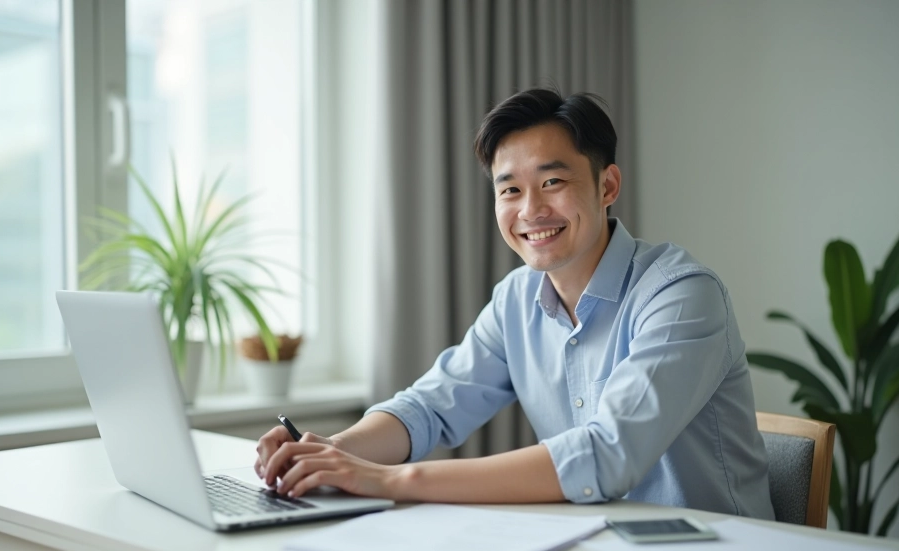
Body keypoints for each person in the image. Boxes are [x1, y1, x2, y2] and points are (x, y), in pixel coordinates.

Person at [254, 88, 775, 518]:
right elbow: (429, 408)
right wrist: (331, 452)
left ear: (607, 185)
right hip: (599, 548)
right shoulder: (517, 299)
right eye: (510, 191)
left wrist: (391, 480)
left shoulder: (681, 295)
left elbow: (607, 455)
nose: (531, 211)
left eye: (552, 182)